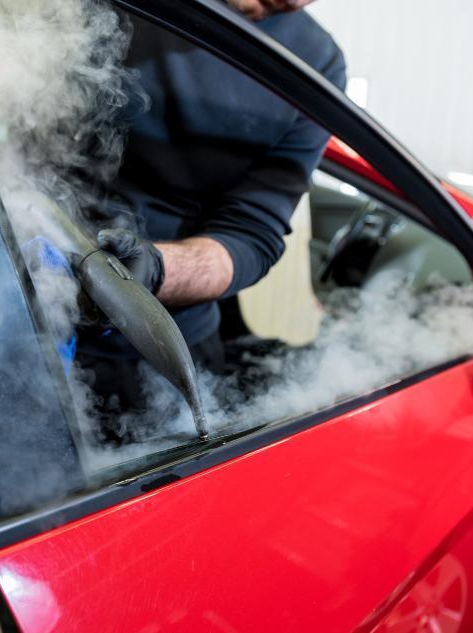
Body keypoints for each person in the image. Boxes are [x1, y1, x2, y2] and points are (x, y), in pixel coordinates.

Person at [79, 0, 347, 436]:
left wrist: (156, 271)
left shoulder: (315, 63)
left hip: (164, 349)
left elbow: (252, 232)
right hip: (13, 304)